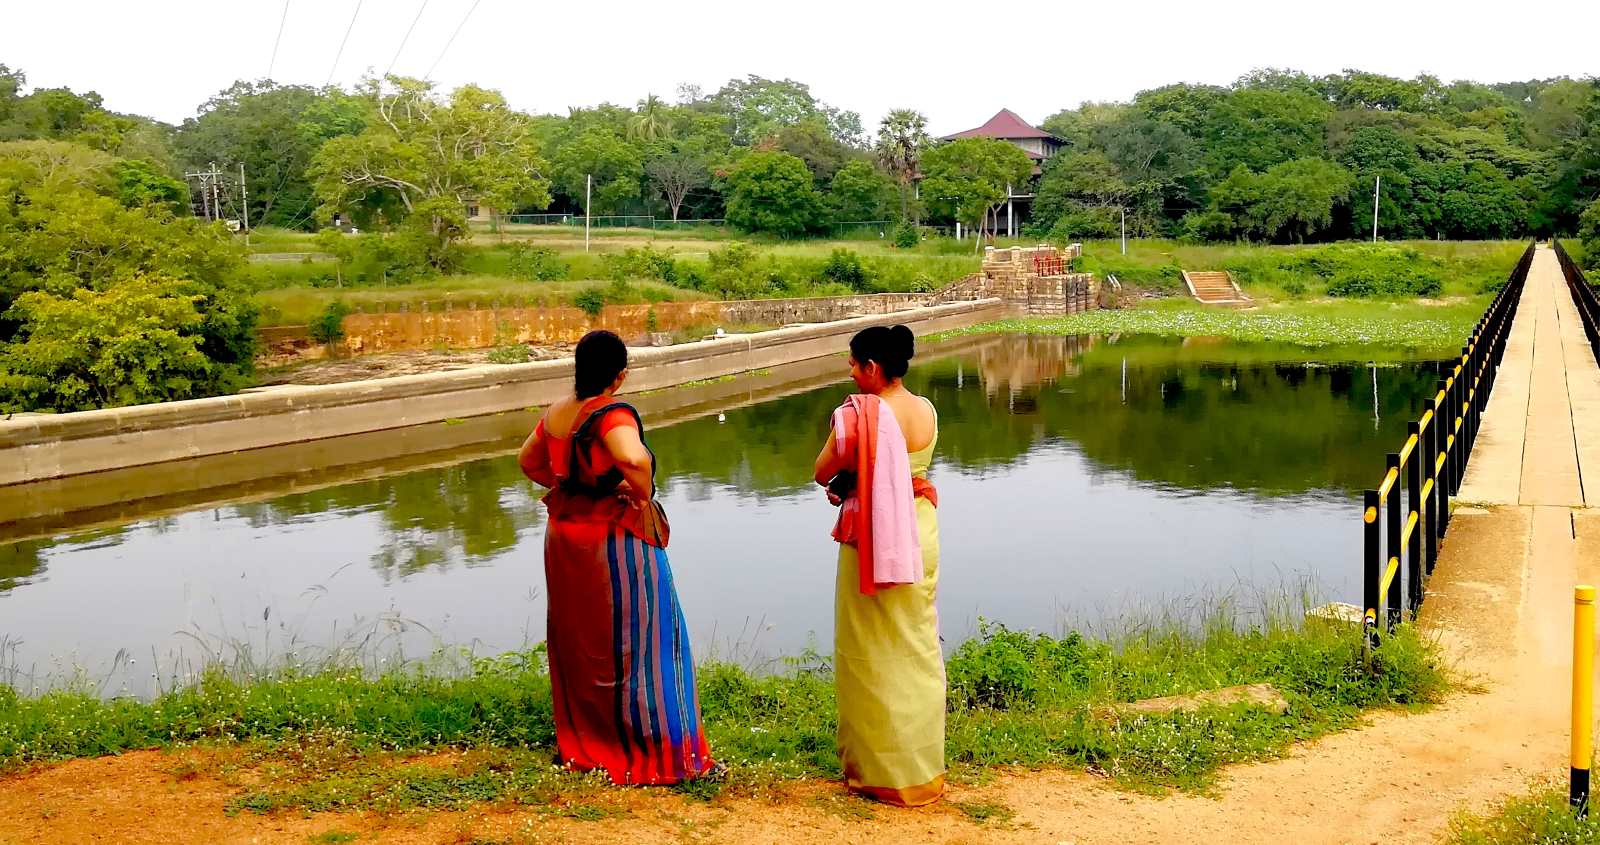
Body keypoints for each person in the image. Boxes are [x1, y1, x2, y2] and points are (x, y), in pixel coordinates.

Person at [518, 330, 716, 785]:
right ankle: (654, 750)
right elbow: (632, 457)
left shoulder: (557, 413)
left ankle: (588, 738)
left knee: (582, 641)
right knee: (643, 638)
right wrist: (640, 489)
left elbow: (527, 463)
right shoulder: (611, 413)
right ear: (620, 375)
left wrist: (568, 483)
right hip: (612, 537)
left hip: (565, 534)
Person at [812, 324, 944, 806]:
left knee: (867, 650)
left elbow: (821, 470)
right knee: (916, 645)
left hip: (873, 535)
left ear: (871, 367)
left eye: (852, 363)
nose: (849, 372)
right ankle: (920, 768)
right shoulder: (926, 410)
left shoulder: (858, 416)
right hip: (919, 530)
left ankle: (876, 771)